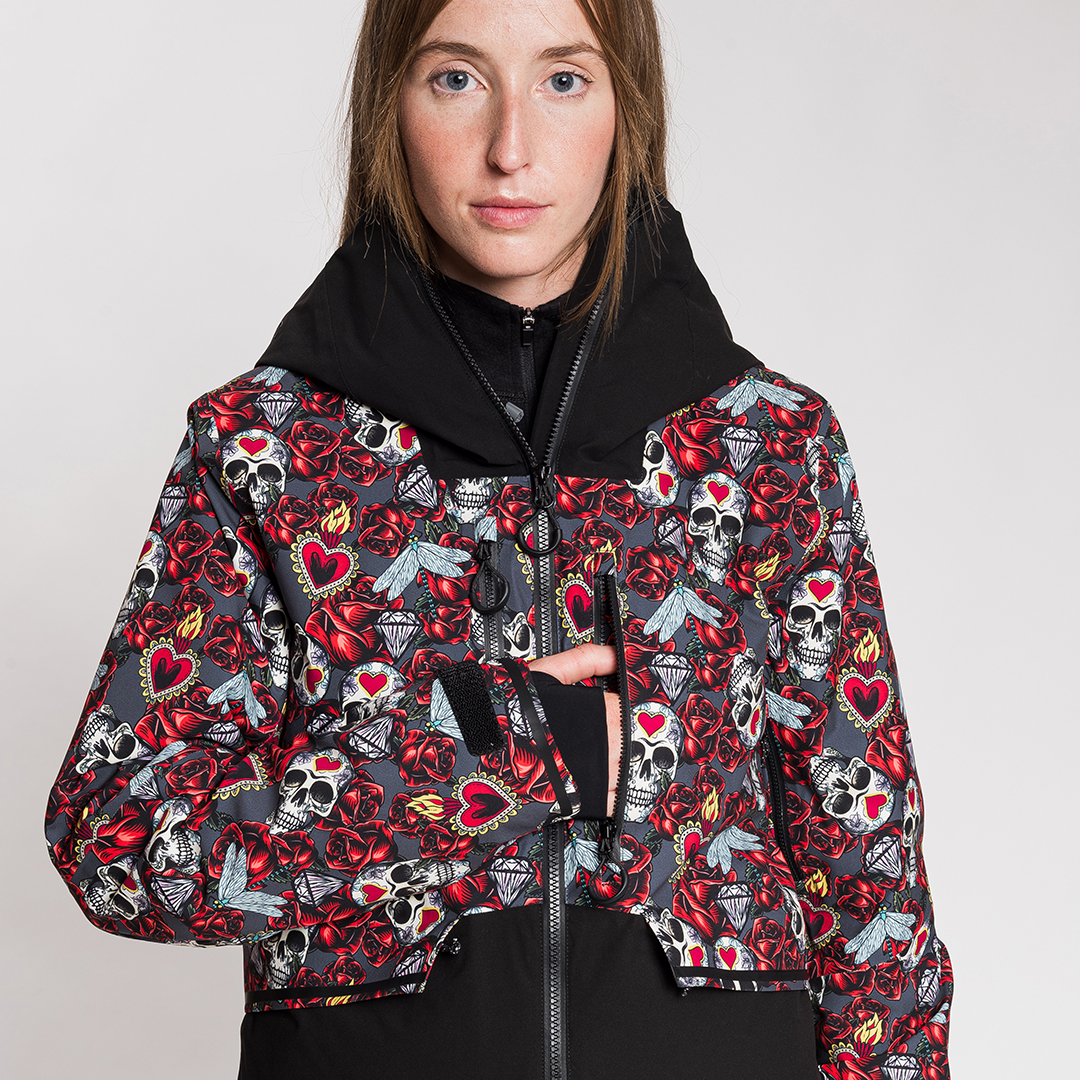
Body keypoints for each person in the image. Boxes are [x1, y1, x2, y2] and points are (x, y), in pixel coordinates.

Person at [45, 0, 952, 1077]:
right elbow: (114, 841)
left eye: (564, 79)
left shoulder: (767, 445)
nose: (510, 147)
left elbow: (871, 893)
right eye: (457, 79)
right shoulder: (266, 448)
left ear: (627, 109)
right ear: (391, 106)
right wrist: (503, 749)